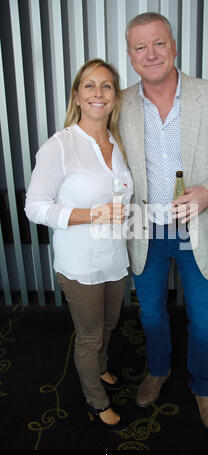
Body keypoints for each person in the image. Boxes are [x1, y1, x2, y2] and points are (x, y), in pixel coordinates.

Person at [119, 12, 208, 435]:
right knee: (153, 316)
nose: (150, 54)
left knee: (204, 320)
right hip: (147, 230)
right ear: (130, 55)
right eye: (140, 47)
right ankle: (158, 371)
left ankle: (203, 387)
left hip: (202, 228)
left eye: (158, 43)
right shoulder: (119, 103)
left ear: (174, 46)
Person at [25, 58, 133, 431]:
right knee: (90, 336)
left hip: (115, 258)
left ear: (115, 97)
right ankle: (95, 400)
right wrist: (92, 214)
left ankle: (101, 369)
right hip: (80, 262)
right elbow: (35, 207)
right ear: (77, 94)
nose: (98, 93)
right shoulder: (61, 145)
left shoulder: (117, 142)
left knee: (110, 324)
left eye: (106, 86)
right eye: (89, 85)